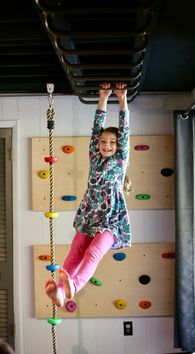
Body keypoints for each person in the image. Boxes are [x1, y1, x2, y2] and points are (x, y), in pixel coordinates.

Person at [45, 82, 131, 307]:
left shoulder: (120, 160)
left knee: (92, 253)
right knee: (76, 252)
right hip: (90, 214)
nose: (106, 145)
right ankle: (61, 292)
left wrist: (122, 100)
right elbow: (96, 129)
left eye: (112, 142)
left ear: (118, 146)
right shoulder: (94, 157)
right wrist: (103, 97)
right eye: (103, 142)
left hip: (111, 218)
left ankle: (73, 285)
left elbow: (125, 133)